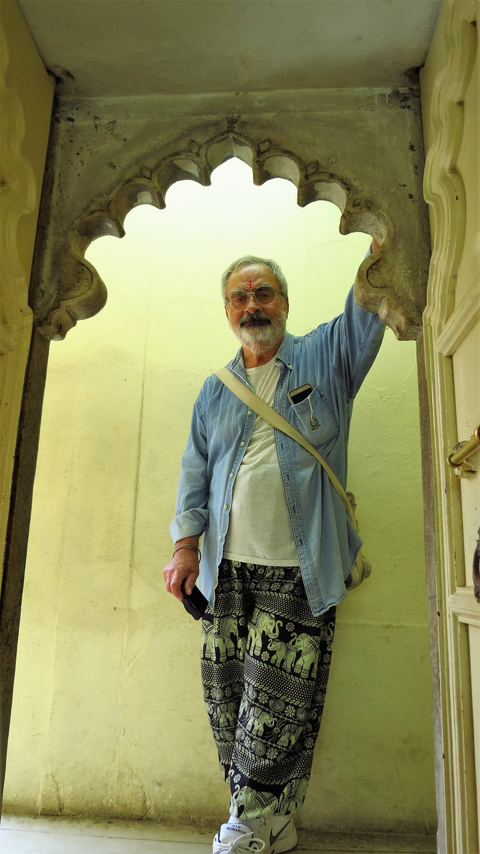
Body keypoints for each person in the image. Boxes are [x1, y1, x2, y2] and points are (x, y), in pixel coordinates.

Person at [163, 249, 384, 854]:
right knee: (228, 695)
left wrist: (380, 241)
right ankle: (274, 819)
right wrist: (185, 548)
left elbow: (369, 310)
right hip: (225, 572)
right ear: (228, 311)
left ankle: (245, 826)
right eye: (241, 296)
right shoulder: (215, 389)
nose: (252, 305)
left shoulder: (324, 357)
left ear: (284, 303)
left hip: (300, 571)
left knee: (277, 703)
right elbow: (194, 474)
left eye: (264, 293)